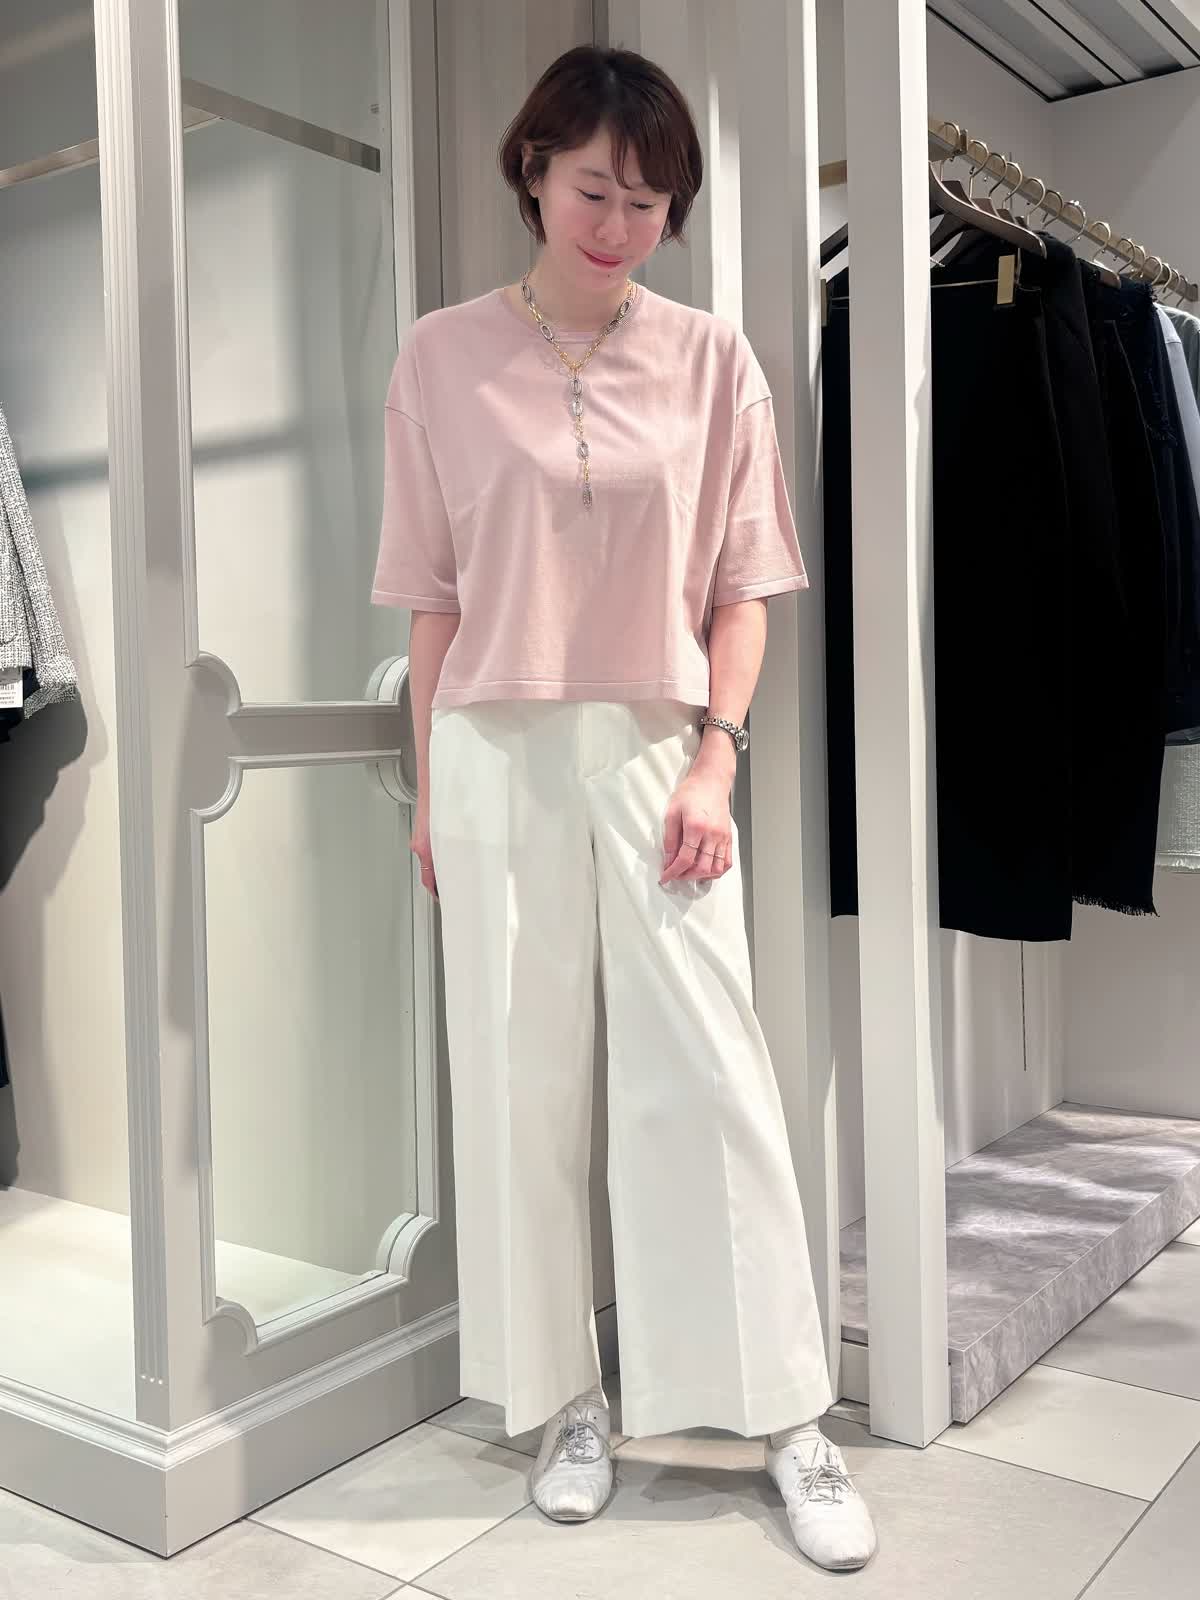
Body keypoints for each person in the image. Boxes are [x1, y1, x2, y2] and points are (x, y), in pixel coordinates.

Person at [370, 43, 877, 1574]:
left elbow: (742, 591)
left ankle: (784, 1416)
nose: (618, 224)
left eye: (649, 202)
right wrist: (432, 787)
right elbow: (433, 602)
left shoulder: (716, 362)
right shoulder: (441, 360)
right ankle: (568, 1405)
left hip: (660, 742)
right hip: (493, 746)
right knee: (522, 1084)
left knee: (710, 1078)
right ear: (534, 171)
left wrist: (717, 758)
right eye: (595, 189)